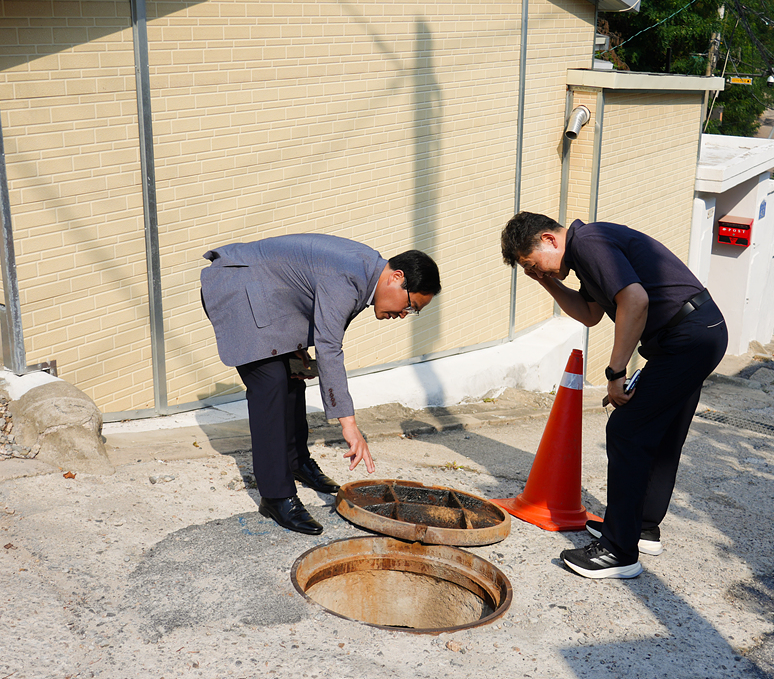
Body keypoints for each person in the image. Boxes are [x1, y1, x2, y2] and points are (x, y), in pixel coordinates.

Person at [500, 213, 727, 579]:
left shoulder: (589, 244)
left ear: (549, 239)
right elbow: (589, 314)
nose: (534, 270)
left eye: (532, 263)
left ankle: (619, 551)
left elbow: (634, 301)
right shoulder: (584, 252)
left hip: (688, 336)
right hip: (697, 332)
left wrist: (616, 373)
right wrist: (546, 282)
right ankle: (641, 527)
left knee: (626, 430)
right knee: (661, 433)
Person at [201, 234, 441, 535]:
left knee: (291, 374)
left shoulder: (367, 272)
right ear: (396, 277)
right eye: (411, 305)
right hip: (237, 289)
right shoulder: (349, 276)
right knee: (271, 384)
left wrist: (298, 347)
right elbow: (329, 345)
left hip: (267, 296)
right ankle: (276, 496)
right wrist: (349, 425)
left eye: (413, 311)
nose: (405, 314)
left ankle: (296, 461)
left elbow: (313, 303)